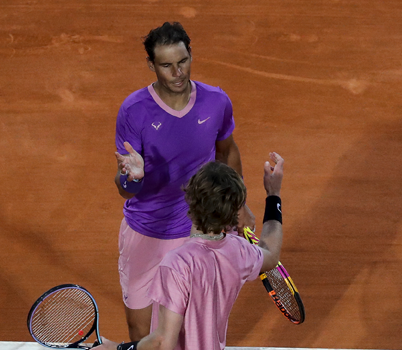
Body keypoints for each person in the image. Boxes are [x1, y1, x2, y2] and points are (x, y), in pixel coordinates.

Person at [114, 21, 255, 341]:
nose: (177, 73)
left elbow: (227, 152)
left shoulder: (216, 101)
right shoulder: (133, 111)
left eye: (183, 62)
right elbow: (125, 191)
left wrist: (241, 206)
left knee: (190, 331)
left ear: (191, 55)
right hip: (145, 232)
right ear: (151, 65)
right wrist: (132, 176)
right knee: (139, 329)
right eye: (166, 65)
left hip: (197, 234)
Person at [95, 152, 285, 350]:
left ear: (190, 201)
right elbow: (270, 253)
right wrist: (274, 195)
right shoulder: (238, 251)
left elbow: (163, 343)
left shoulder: (177, 264)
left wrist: (118, 349)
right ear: (233, 211)